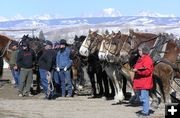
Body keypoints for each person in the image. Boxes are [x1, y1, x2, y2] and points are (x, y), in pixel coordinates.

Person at [132, 43, 154, 117]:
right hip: (140, 82)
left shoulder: (147, 59)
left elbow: (147, 71)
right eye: (139, 50)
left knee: (144, 98)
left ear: (144, 50)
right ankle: (144, 110)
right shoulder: (141, 58)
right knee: (142, 98)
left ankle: (145, 112)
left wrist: (137, 71)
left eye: (140, 50)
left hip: (144, 82)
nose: (139, 52)